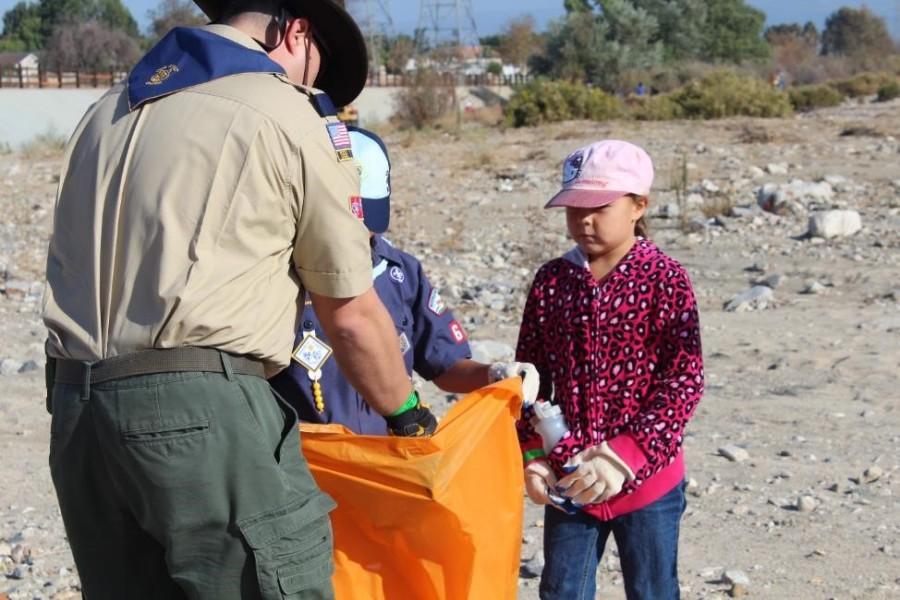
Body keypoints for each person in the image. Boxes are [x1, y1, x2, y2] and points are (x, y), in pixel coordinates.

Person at [41, 0, 433, 597]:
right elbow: (349, 311)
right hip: (201, 416)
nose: (313, 83)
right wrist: (408, 416)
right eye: (317, 67)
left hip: (78, 412)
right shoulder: (284, 111)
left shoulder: (105, 113)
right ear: (296, 31)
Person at [515, 140, 704, 599]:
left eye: (599, 206)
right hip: (571, 477)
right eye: (573, 208)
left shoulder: (665, 279)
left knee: (654, 590)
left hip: (648, 482)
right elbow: (529, 379)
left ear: (639, 205)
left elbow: (684, 379)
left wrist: (627, 454)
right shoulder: (552, 282)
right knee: (561, 591)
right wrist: (534, 456)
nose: (584, 220)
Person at [271, 127, 540, 433]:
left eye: (366, 220)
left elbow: (445, 365)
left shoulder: (400, 273)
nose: (357, 233)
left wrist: (495, 373)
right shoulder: (278, 278)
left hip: (389, 459)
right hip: (307, 464)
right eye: (347, 220)